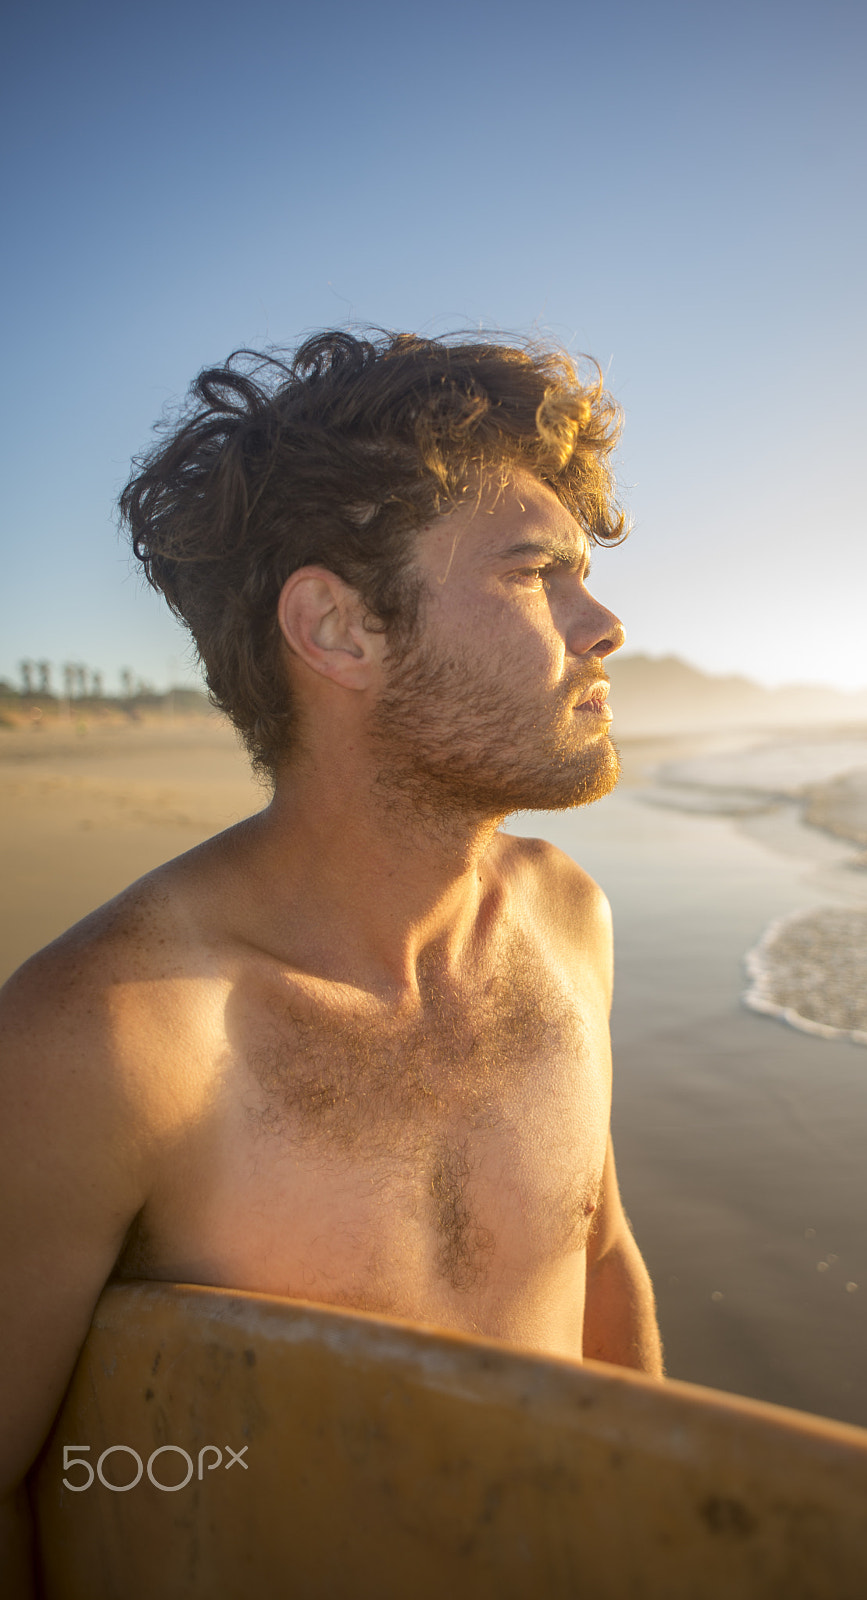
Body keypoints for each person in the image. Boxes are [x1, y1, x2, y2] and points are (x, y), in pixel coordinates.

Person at [0, 329, 662, 1588]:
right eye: (538, 575)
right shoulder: (105, 1040)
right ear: (338, 628)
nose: (607, 623)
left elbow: (601, 1262)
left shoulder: (570, 921)